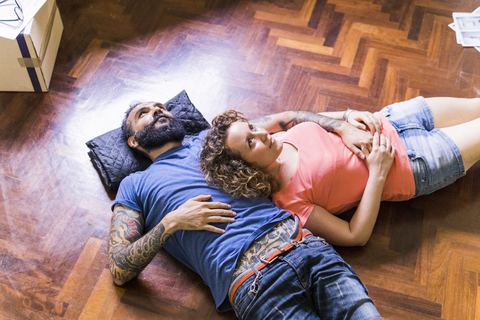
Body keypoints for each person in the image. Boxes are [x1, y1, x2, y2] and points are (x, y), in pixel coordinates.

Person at [108, 101, 385, 319]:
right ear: (134, 141)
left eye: (161, 107)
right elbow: (119, 268)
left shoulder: (212, 141)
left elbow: (282, 120)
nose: (157, 110)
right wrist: (171, 223)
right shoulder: (134, 186)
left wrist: (342, 125)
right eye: (144, 113)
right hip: (256, 284)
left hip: (307, 246)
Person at [200, 97, 480, 247]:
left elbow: (291, 118)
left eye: (252, 127)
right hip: (414, 163)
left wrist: (345, 119)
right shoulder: (290, 202)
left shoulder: (277, 139)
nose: (261, 133)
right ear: (243, 168)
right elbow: (353, 236)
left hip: (393, 118)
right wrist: (378, 173)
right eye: (251, 141)